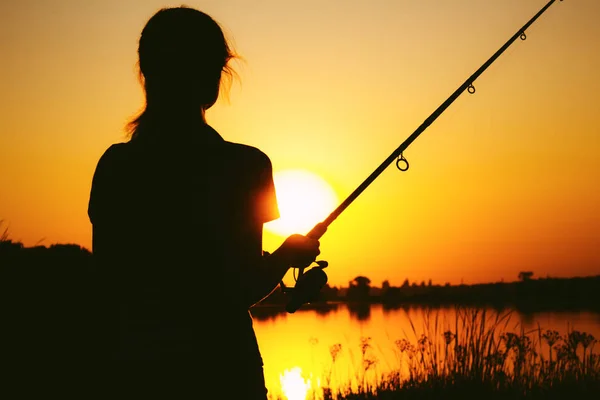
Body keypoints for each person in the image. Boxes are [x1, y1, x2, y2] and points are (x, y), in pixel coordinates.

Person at [87, 6, 324, 399]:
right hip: (224, 370)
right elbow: (236, 290)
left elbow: (110, 287)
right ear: (215, 77)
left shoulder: (115, 166)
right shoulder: (245, 165)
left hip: (132, 370)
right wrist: (285, 256)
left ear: (147, 74)